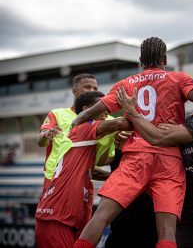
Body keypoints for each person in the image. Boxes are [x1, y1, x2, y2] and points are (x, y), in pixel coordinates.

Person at [72, 37, 193, 248]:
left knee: (101, 217)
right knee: (167, 233)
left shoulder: (126, 84)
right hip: (168, 161)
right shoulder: (179, 78)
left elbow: (100, 107)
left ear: (141, 60)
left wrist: (79, 118)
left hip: (135, 157)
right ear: (165, 58)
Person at [116, 66, 193, 248]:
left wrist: (132, 112)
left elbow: (158, 137)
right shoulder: (189, 120)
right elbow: (158, 134)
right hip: (185, 200)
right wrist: (130, 136)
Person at [35, 91, 132, 248]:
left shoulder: (89, 142)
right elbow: (119, 123)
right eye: (101, 106)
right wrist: (138, 112)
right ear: (87, 110)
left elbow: (99, 165)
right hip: (57, 214)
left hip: (74, 213)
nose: (107, 110)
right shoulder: (83, 127)